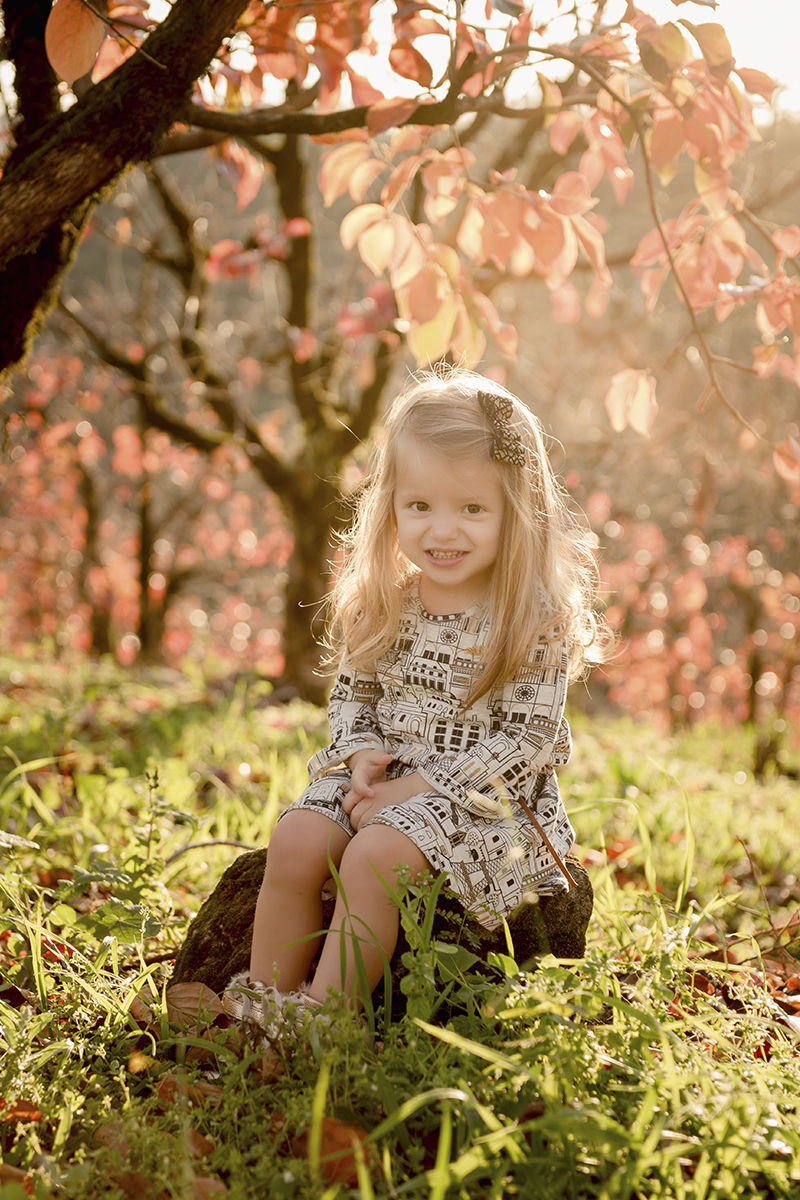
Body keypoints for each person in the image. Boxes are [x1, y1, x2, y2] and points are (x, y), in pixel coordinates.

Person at [223, 367, 611, 1040]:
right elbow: (354, 692)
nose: (443, 531)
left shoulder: (530, 616)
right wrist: (361, 753)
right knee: (296, 840)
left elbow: (526, 739)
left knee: (374, 856)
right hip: (382, 781)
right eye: (421, 506)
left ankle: (326, 1021)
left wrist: (418, 786)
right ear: (393, 506)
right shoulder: (390, 603)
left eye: (472, 509)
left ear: (516, 511)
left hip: (483, 805)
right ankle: (264, 1005)